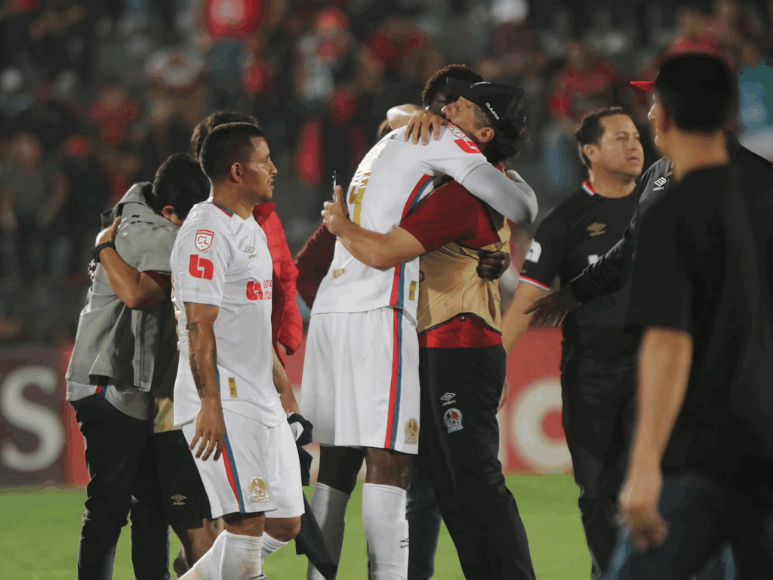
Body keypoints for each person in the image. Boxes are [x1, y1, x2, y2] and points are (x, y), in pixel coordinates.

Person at [301, 72, 537, 579]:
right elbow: (515, 208)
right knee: (422, 480)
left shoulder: (439, 185)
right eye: (445, 105)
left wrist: (341, 226)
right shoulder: (436, 171)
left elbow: (379, 251)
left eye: (463, 105)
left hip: (430, 338)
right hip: (406, 331)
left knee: (446, 481)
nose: (450, 110)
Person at [606, 52, 773, 579]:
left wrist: (644, 465)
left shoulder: (672, 212)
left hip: (699, 454)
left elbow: (668, 343)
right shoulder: (768, 191)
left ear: (665, 118)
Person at [500, 107, 643, 579]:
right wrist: (493, 365)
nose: (634, 145)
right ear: (589, 152)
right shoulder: (567, 219)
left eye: (637, 136)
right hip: (592, 375)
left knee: (666, 487)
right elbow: (528, 298)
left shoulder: (661, 204)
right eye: (620, 137)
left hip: (654, 371)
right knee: (596, 493)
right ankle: (609, 569)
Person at [65, 154, 211, 580]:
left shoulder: (137, 217)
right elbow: (137, 294)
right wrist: (103, 248)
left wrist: (103, 245)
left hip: (128, 385)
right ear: (169, 212)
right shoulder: (154, 234)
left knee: (150, 506)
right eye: (191, 218)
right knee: (111, 507)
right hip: (109, 382)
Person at [172, 122, 304, 580]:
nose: (274, 168)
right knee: (245, 525)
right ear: (236, 170)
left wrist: (284, 393)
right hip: (225, 400)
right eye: (264, 160)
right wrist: (209, 403)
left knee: (285, 522)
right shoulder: (205, 233)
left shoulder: (249, 227)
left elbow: (253, 325)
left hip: (260, 397)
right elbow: (197, 325)